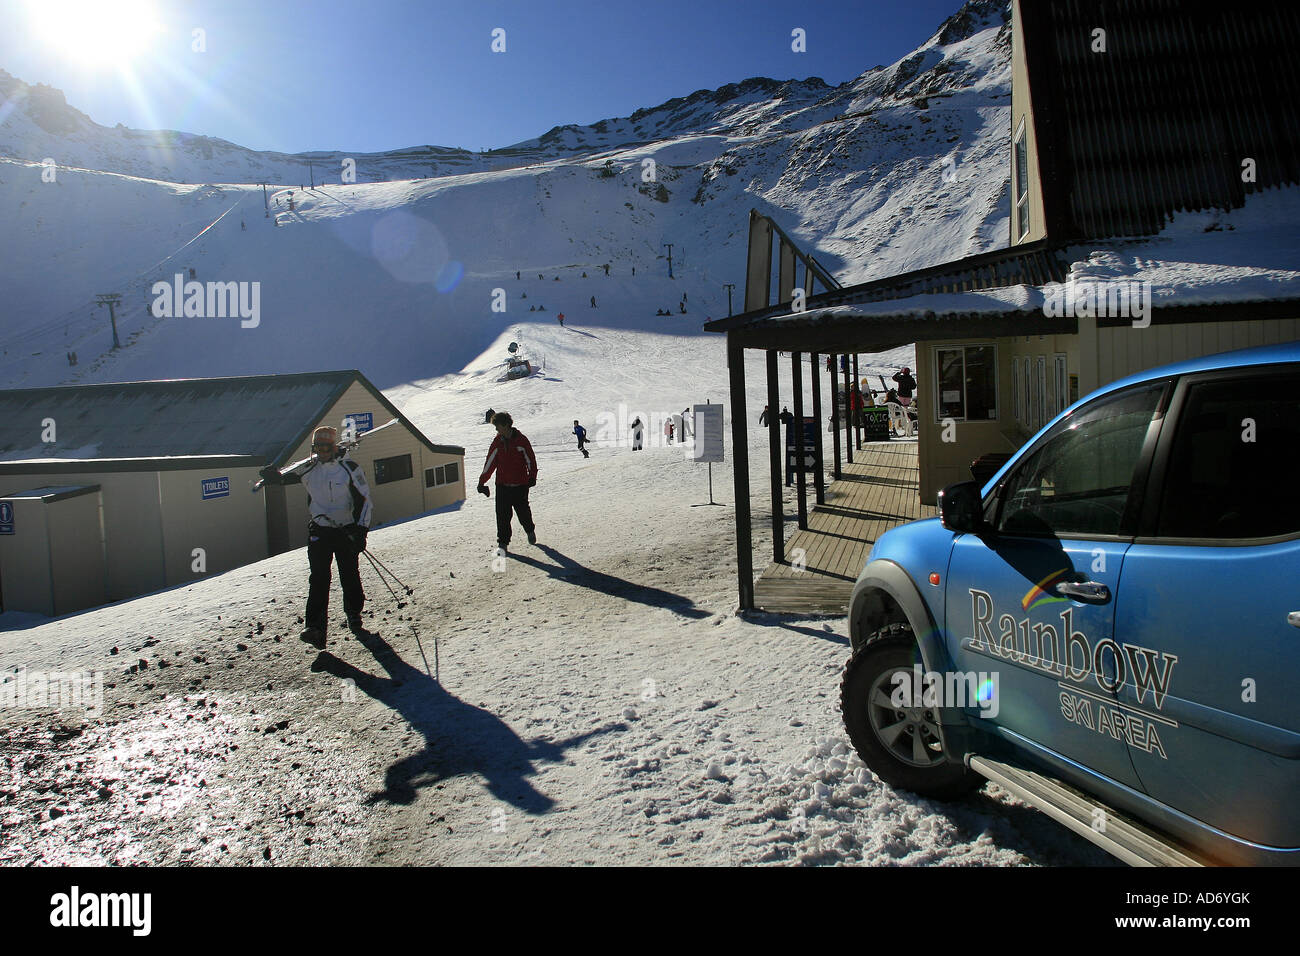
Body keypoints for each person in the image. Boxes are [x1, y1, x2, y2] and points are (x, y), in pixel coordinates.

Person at [258, 426, 372, 649]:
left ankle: (354, 613)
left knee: (348, 574)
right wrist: (273, 477)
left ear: (333, 446)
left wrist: (361, 530)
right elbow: (286, 477)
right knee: (319, 578)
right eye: (317, 448)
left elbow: (364, 500)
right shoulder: (309, 468)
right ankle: (315, 628)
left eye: (325, 447)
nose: (321, 452)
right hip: (320, 530)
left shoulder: (349, 468)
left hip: (346, 529)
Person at [477, 411, 538, 552]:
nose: (496, 430)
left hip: (520, 485)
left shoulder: (521, 440)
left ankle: (529, 530)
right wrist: (482, 482)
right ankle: (503, 543)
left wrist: (532, 476)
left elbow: (530, 460)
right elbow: (490, 463)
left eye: (497, 427)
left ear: (505, 425)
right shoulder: (497, 442)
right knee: (502, 515)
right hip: (502, 486)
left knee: (523, 512)